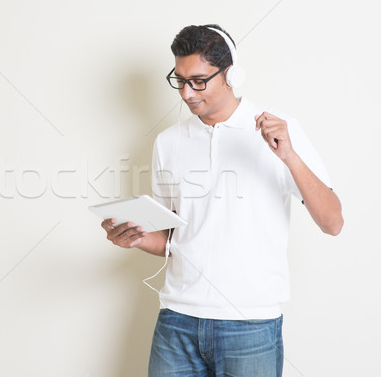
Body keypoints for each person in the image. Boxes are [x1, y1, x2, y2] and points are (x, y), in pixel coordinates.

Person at [100, 24, 343, 376]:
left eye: (198, 80)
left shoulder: (280, 129)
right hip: (176, 321)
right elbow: (175, 238)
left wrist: (289, 156)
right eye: (179, 80)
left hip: (250, 323)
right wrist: (136, 237)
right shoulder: (168, 142)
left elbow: (332, 222)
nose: (186, 93)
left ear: (231, 75)